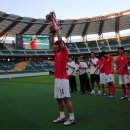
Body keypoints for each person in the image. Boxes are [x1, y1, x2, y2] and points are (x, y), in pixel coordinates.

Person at [50, 30, 75, 125]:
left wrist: (57, 31)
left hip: (63, 79)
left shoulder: (65, 52)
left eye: (57, 45)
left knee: (65, 98)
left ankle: (72, 118)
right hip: (57, 79)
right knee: (58, 99)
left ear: (61, 45)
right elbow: (52, 43)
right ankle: (62, 116)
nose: (55, 46)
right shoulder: (56, 53)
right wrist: (52, 34)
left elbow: (60, 41)